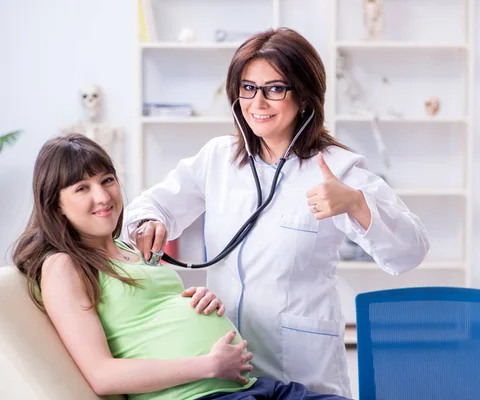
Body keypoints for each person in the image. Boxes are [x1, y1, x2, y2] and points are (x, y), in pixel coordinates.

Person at [125, 27, 430, 397]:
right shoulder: (219, 157)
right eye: (248, 88)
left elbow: (411, 249)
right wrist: (149, 222)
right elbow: (149, 205)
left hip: (301, 369)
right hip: (227, 368)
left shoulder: (337, 168)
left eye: (275, 88)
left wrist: (354, 203)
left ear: (303, 96)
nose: (258, 103)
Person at [12, 134, 350, 400]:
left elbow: (150, 315)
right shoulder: (63, 265)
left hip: (249, 387)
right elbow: (102, 375)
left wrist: (197, 300)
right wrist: (209, 365)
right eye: (82, 188)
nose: (102, 197)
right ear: (54, 202)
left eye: (108, 180)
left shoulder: (128, 247)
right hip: (199, 395)